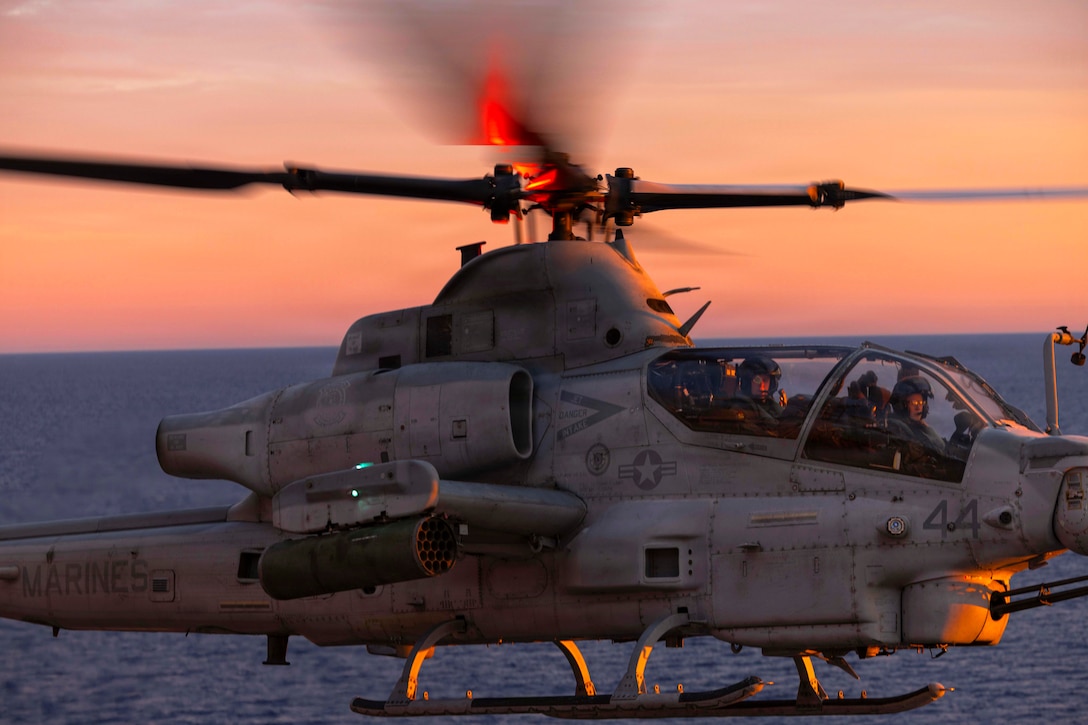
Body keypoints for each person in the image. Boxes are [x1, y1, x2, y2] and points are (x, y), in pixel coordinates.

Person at [886, 376, 944, 451]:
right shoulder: (898, 428)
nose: (918, 407)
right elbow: (935, 447)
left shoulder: (917, 426)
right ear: (902, 406)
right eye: (914, 403)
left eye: (920, 403)